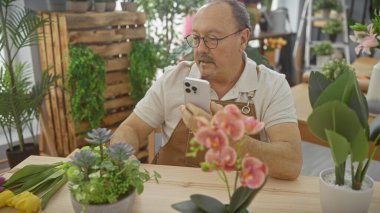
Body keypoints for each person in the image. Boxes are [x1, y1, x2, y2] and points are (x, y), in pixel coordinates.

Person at [111, 0, 302, 180]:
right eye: (196, 38)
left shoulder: (271, 86)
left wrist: (231, 141)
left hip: (241, 198)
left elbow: (291, 162)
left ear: (243, 39)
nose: (201, 49)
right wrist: (123, 157)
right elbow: (131, 129)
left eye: (212, 39)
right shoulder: (173, 80)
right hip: (174, 196)